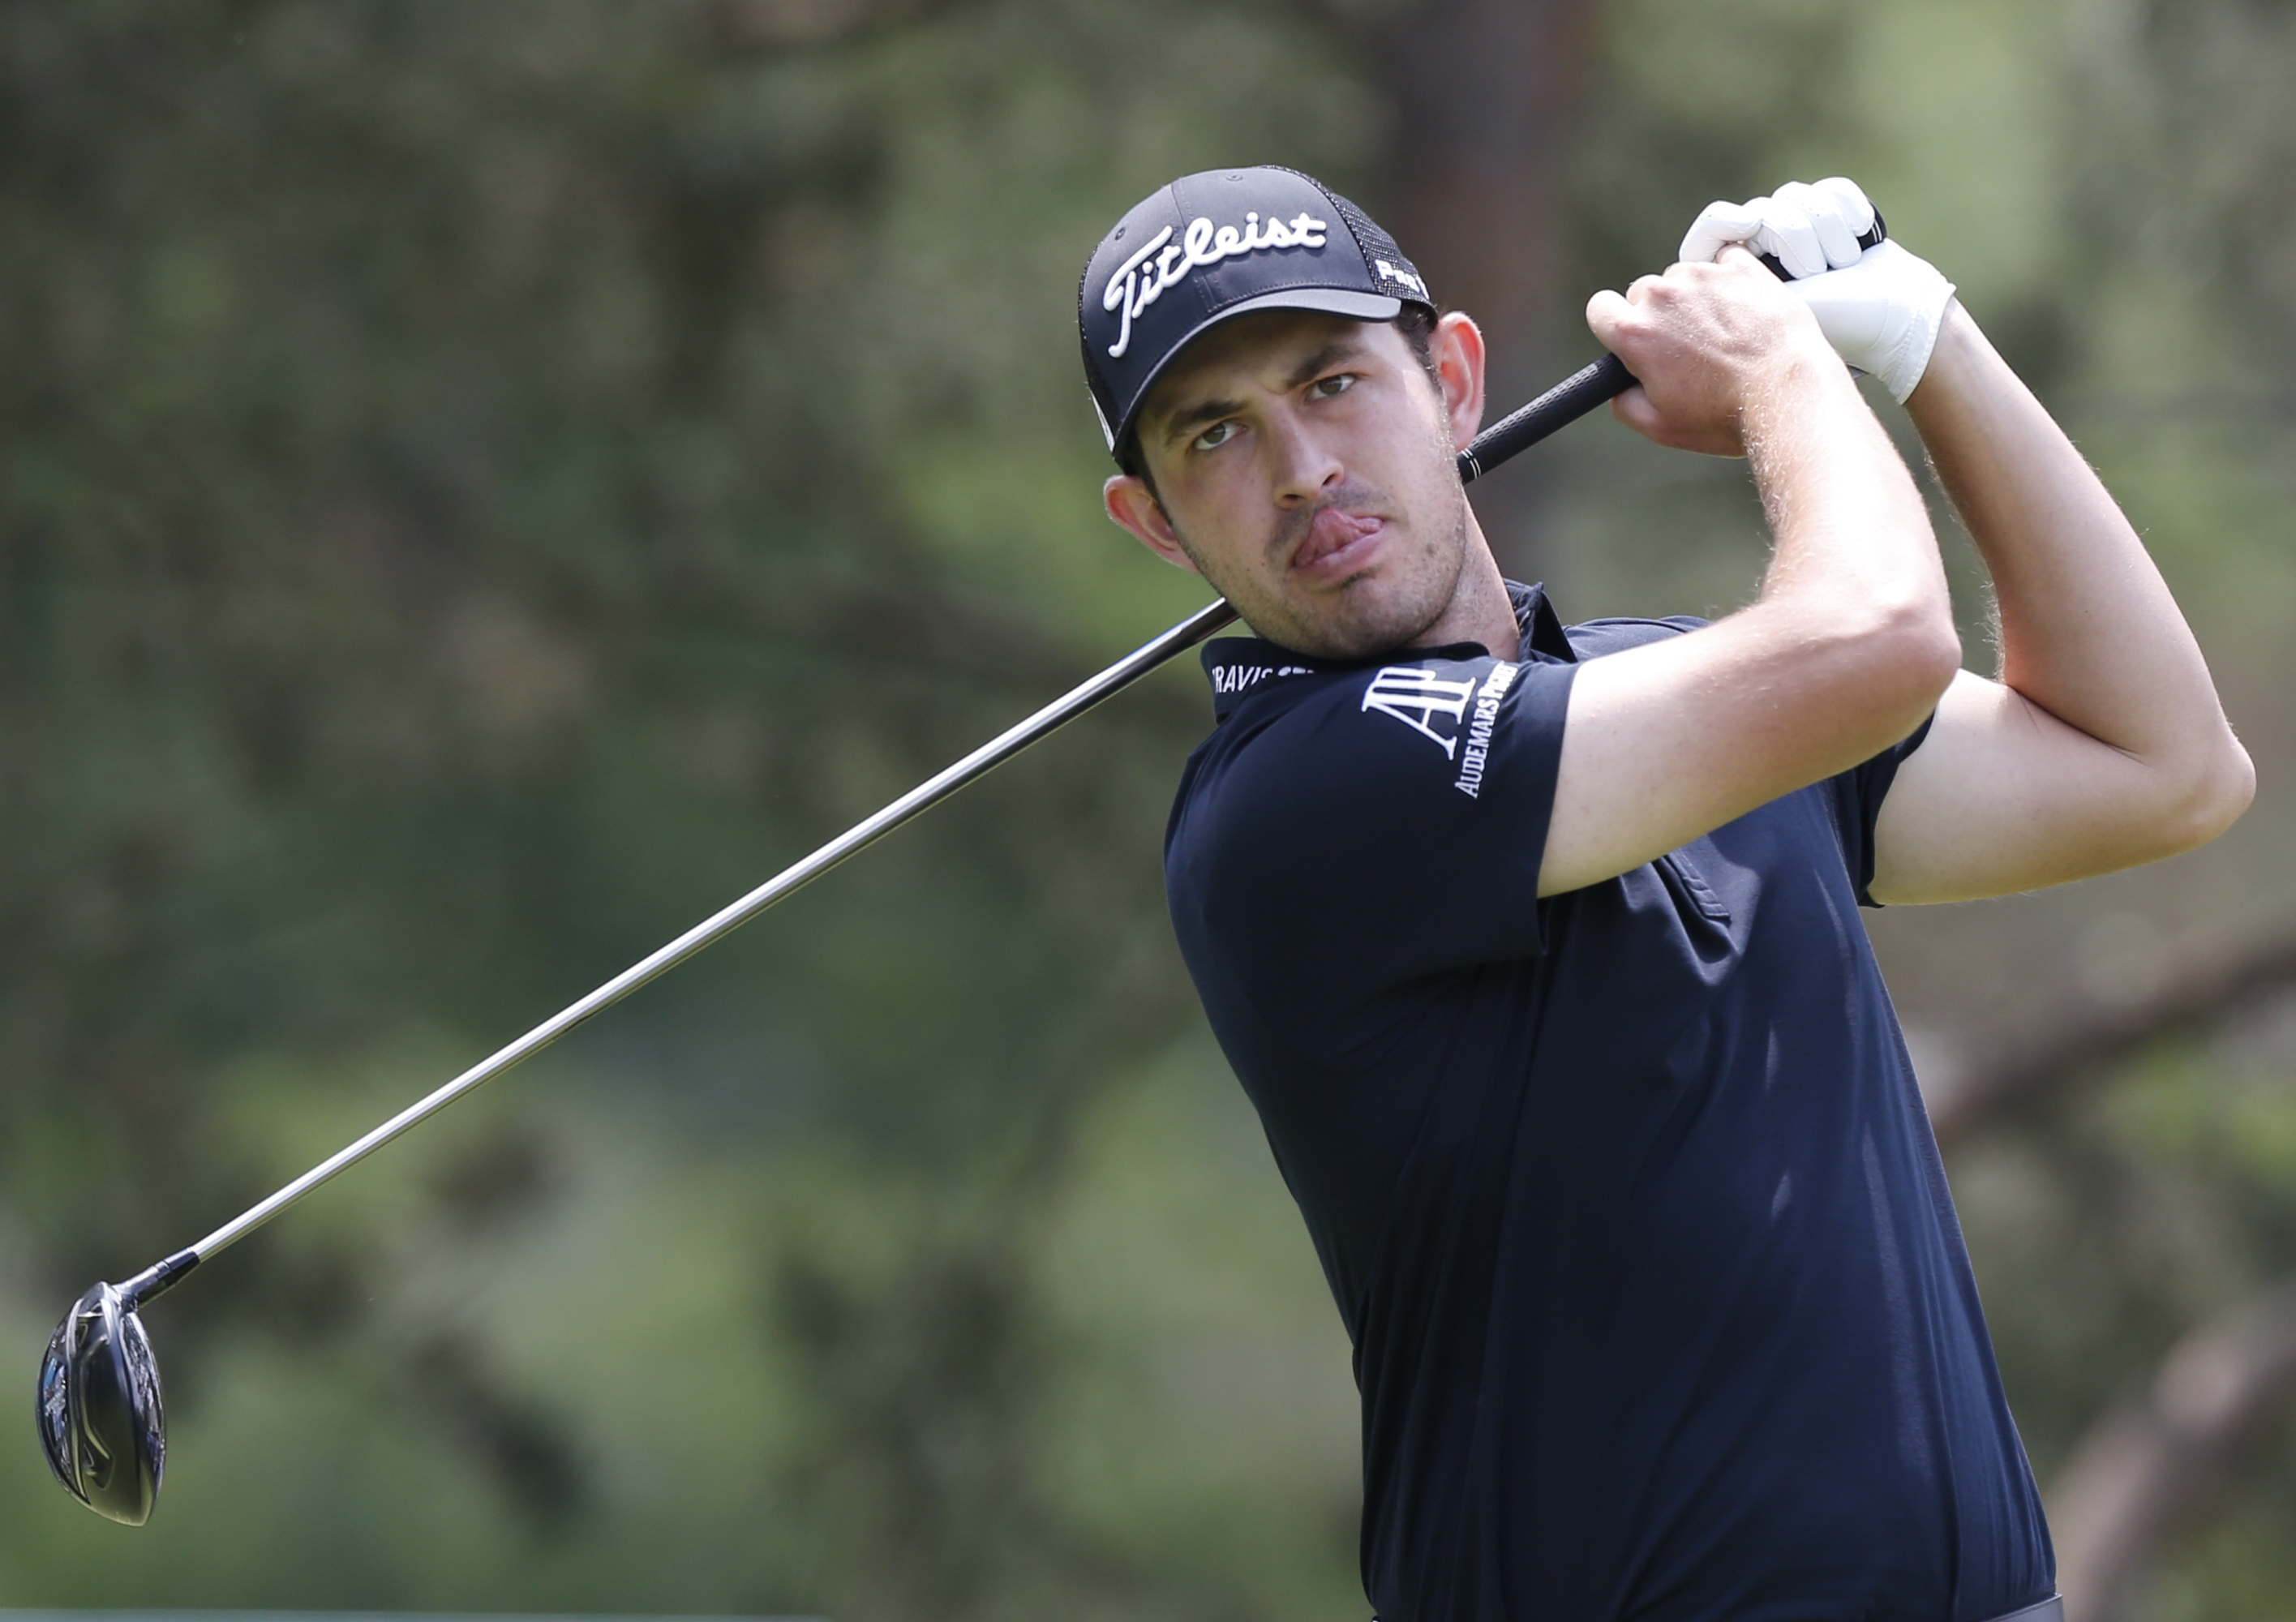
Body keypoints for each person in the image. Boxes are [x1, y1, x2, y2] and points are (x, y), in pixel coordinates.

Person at [1076, 166, 2253, 1622]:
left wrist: (1933, 345)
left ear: (1452, 382)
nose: (1303, 466)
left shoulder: (1688, 702)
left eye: (1332, 382)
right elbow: (1878, 633)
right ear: (1155, 522)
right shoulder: (1290, 805)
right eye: (1217, 434)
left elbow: (2164, 765)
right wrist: (1783, 372)